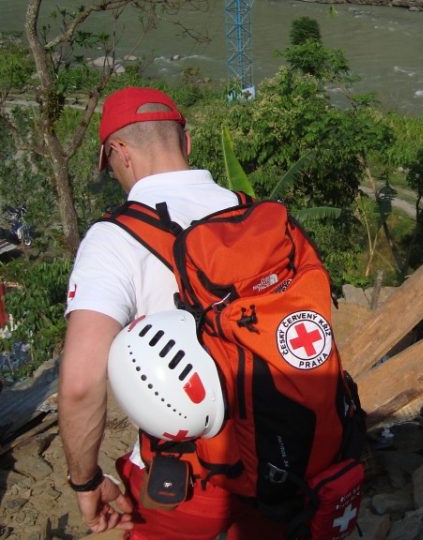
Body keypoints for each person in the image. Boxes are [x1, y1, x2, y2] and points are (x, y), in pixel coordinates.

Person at [59, 87, 285, 539]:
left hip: (187, 478)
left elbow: (81, 383)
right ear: (187, 141)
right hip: (277, 460)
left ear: (119, 153)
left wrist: (85, 481)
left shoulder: (114, 239)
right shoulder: (255, 214)